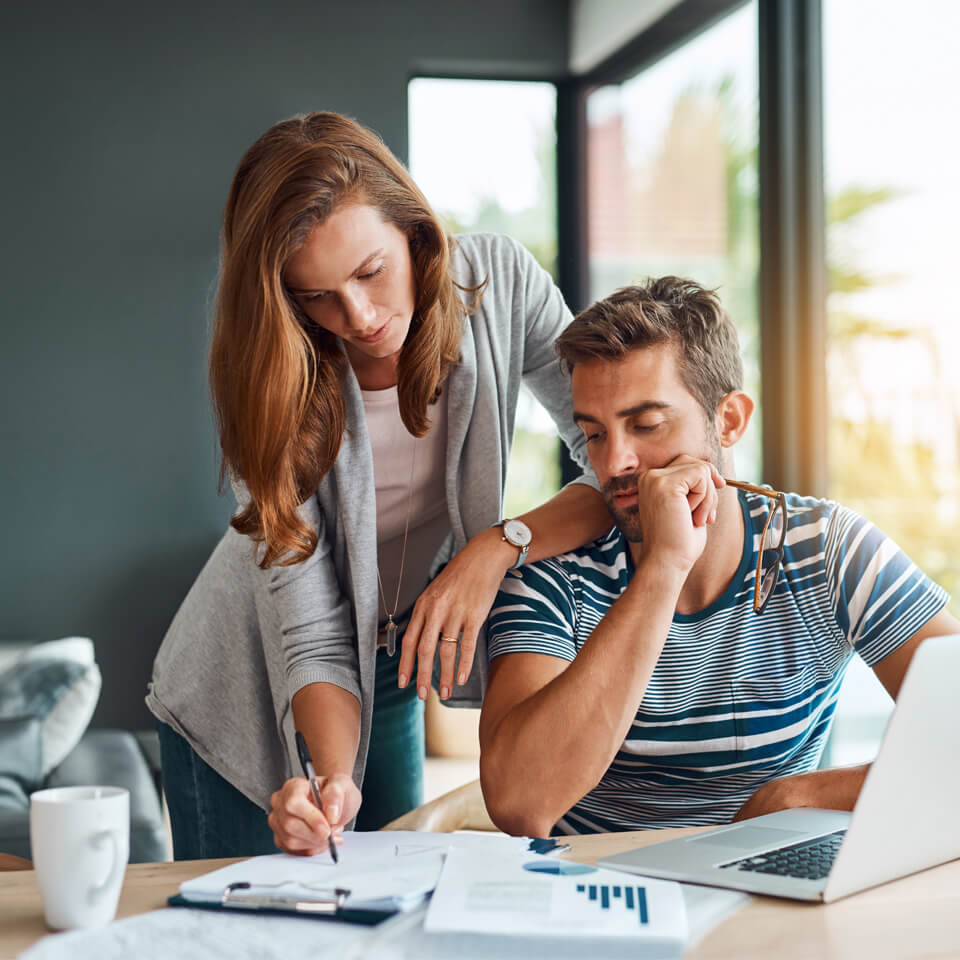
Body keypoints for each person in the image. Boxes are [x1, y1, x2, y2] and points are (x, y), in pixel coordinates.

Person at [146, 112, 610, 859]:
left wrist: (499, 546)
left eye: (369, 273)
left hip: (390, 656)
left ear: (414, 234)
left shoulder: (499, 287)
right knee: (263, 922)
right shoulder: (272, 384)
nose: (357, 318)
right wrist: (329, 782)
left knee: (394, 901)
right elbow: (309, 627)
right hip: (246, 682)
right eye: (316, 297)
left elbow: (611, 458)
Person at [478, 277, 958, 837]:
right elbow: (518, 803)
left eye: (646, 425)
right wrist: (663, 568)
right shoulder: (551, 576)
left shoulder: (825, 549)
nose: (614, 463)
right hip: (602, 896)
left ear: (728, 420)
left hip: (770, 896)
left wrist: (805, 793)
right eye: (594, 434)